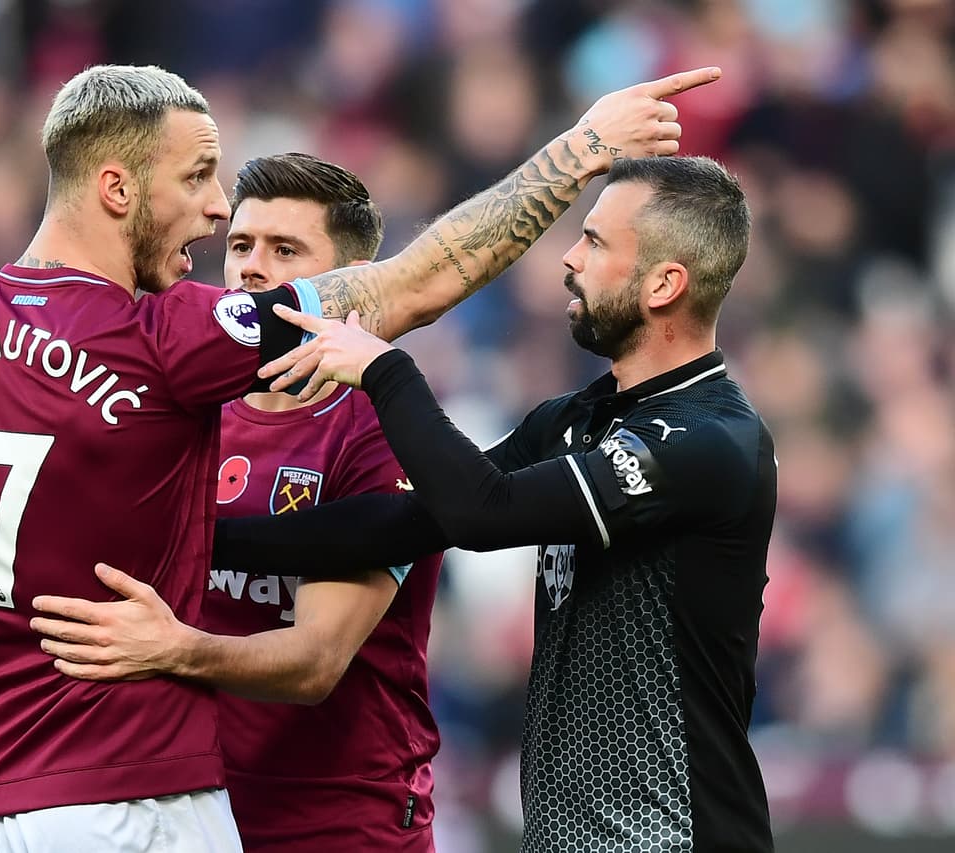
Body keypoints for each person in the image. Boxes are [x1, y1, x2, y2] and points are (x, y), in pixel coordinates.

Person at [0, 63, 718, 851]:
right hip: (134, 802)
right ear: (117, 188)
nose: (213, 210)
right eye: (198, 179)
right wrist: (581, 149)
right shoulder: (167, 342)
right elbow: (418, 282)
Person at [0, 152, 446, 851]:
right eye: (241, 244)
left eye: (285, 250)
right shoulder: (181, 406)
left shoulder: (382, 430)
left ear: (350, 286)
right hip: (184, 816)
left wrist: (176, 650)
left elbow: (315, 661)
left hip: (341, 826)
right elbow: (99, 589)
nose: (251, 268)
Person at [215, 155, 777, 853]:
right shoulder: (573, 419)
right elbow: (402, 524)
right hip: (569, 837)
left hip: (675, 834)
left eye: (595, 241)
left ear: (664, 284)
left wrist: (386, 369)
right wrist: (206, 538)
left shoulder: (709, 439)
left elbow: (482, 514)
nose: (570, 257)